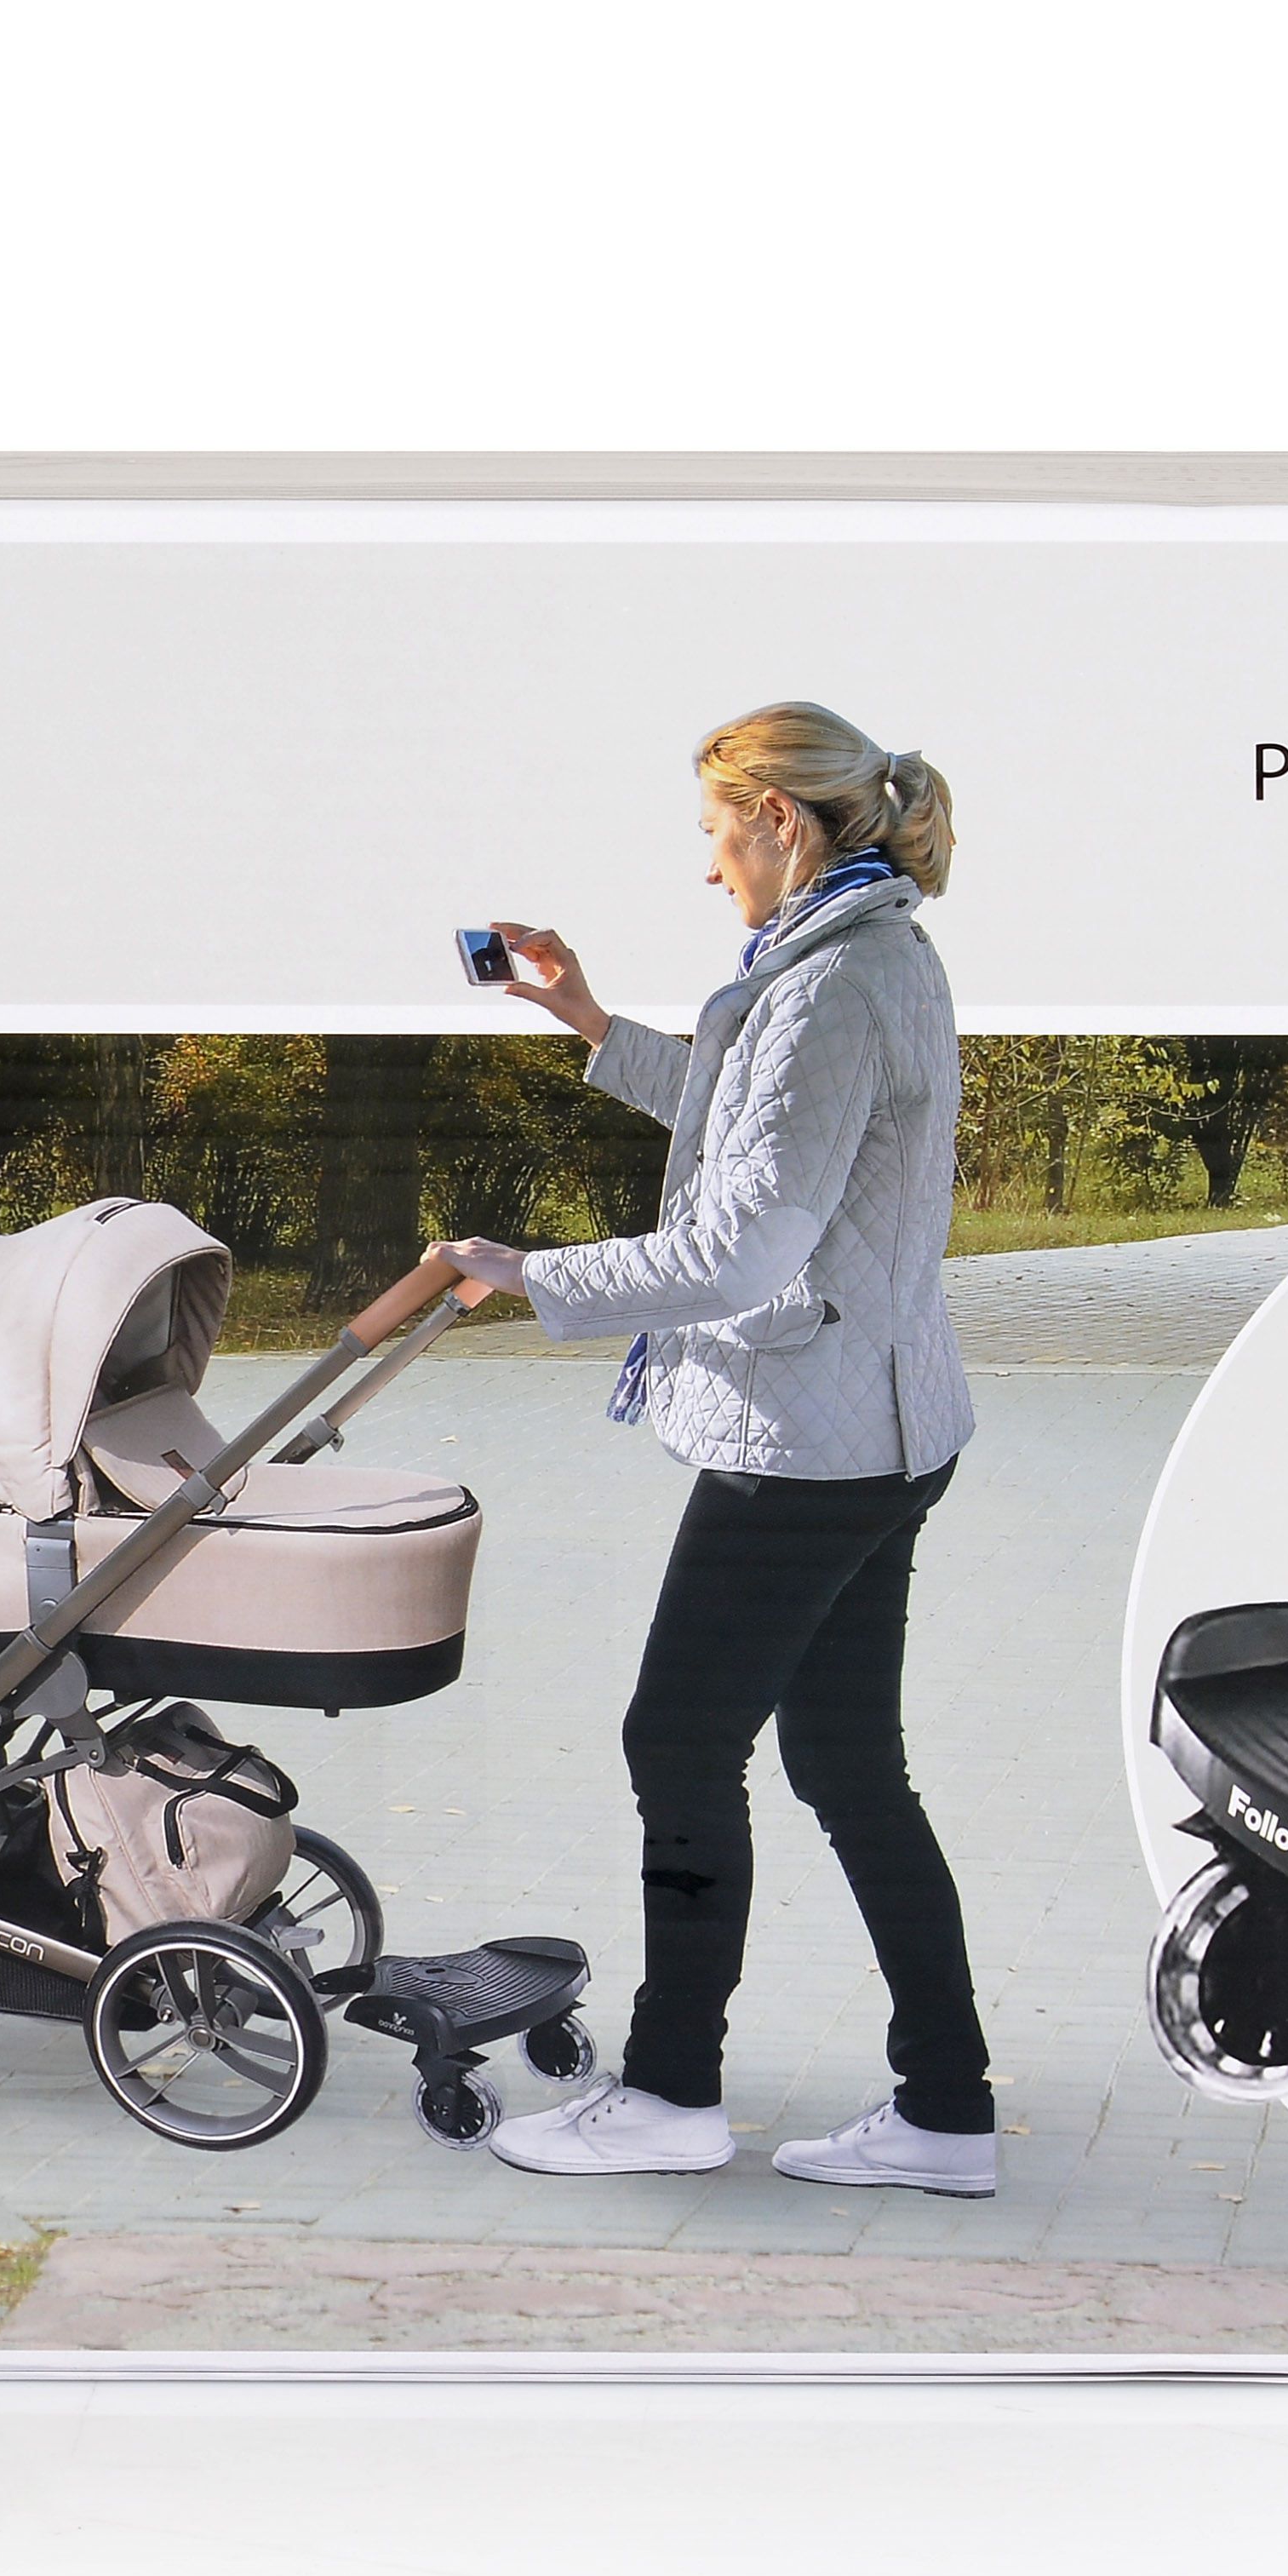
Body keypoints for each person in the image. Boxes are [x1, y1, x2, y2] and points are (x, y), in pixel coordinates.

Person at [436, 701, 995, 2192]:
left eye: (714, 832)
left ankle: (674, 2092)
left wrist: (534, 1273)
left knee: (677, 1745)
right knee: (847, 1764)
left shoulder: (832, 983)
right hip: (880, 1426)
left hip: (804, 1444)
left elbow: (744, 1242)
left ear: (780, 822)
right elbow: (753, 1122)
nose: (707, 865)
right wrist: (587, 1021)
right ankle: (947, 2110)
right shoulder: (866, 955)